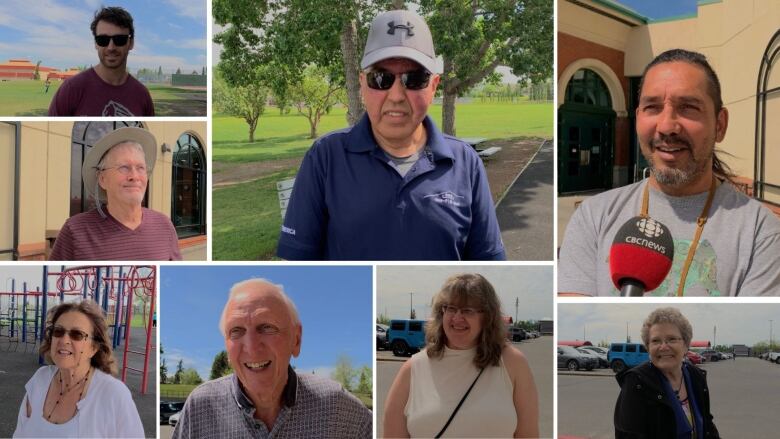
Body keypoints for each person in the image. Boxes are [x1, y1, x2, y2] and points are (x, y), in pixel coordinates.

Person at [277, 9, 505, 261]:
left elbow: (489, 262)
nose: (396, 95)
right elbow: (300, 265)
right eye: (381, 78)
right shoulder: (325, 157)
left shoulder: (465, 162)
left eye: (414, 78)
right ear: (362, 83)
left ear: (434, 86)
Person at [558, 49, 780, 296]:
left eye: (687, 107)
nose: (666, 126)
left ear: (720, 125)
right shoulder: (593, 217)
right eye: (652, 107)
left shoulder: (761, 232)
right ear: (638, 118)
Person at [172, 279, 372, 438]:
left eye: (266, 328)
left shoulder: (338, 407)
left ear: (296, 339)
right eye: (236, 331)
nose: (251, 346)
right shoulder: (200, 408)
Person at [383, 274, 539, 438]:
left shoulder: (513, 363)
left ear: (487, 317)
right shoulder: (413, 368)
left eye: (467, 310)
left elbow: (528, 434)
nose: (457, 318)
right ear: (441, 313)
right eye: (450, 308)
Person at [13, 300, 144, 438]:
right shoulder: (40, 380)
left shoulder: (113, 395)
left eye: (77, 334)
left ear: (93, 348)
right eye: (58, 331)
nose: (64, 340)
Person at [50, 126, 182, 260]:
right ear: (102, 179)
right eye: (124, 167)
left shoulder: (164, 226)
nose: (134, 176)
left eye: (140, 168)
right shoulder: (75, 231)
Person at [614, 307, 719, 438]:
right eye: (656, 341)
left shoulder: (696, 376)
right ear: (648, 347)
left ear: (686, 345)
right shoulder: (636, 382)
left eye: (672, 339)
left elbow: (707, 423)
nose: (663, 347)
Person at [48, 6, 154, 116]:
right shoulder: (72, 89)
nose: (111, 47)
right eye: (103, 40)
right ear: (95, 43)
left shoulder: (142, 95)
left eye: (119, 40)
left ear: (131, 43)